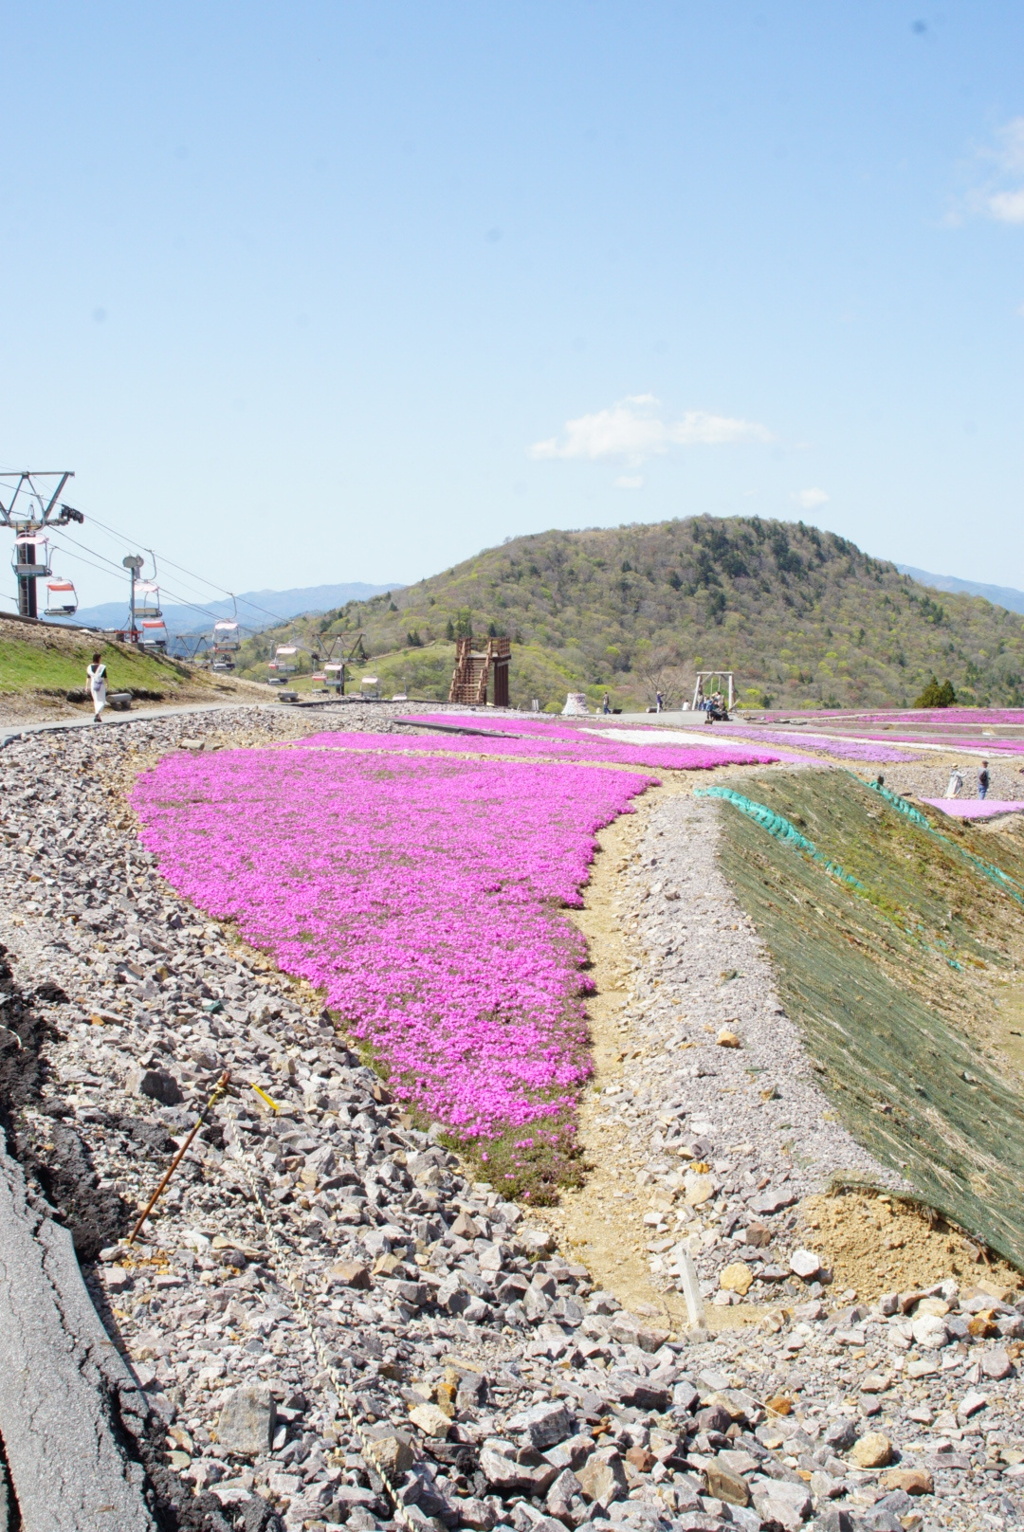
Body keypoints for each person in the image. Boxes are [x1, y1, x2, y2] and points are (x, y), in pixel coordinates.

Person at [86, 652, 107, 723]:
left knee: (96, 700)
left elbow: (88, 677)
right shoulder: (102, 667)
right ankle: (97, 713)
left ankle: (98, 716)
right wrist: (107, 684)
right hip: (100, 684)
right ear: (98, 658)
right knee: (102, 700)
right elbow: (105, 677)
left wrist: (86, 686)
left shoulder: (89, 667)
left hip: (92, 684)